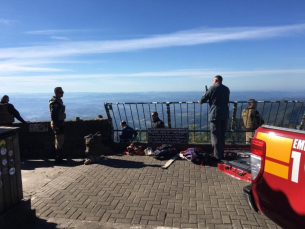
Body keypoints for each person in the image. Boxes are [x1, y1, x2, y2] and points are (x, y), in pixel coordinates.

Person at [198, 75, 230, 161]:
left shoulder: (212, 88)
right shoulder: (227, 89)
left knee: (215, 136)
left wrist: (205, 93)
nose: (212, 82)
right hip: (225, 114)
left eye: (213, 80)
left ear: (216, 80)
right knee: (222, 135)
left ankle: (217, 157)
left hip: (215, 114)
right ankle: (221, 154)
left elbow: (202, 100)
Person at [49, 87, 66, 164]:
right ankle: (58, 158)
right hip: (58, 123)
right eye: (60, 92)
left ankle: (58, 157)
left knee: (58, 140)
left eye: (62, 92)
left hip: (59, 122)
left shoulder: (58, 101)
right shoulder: (55, 102)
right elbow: (54, 115)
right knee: (59, 140)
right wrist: (58, 125)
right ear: (55, 92)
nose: (62, 93)